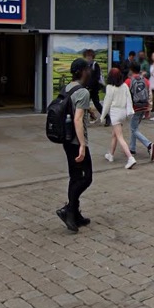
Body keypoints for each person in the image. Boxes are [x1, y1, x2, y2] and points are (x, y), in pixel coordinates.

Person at [55, 58, 94, 233]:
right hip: (76, 141)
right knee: (87, 177)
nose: (89, 72)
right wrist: (82, 145)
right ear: (82, 72)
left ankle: (75, 215)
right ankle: (69, 209)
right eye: (87, 69)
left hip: (66, 138)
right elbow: (77, 119)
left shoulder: (68, 88)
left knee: (75, 176)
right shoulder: (83, 92)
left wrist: (89, 111)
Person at [99, 68, 135, 169]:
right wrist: (130, 111)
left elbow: (107, 103)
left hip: (115, 114)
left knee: (119, 137)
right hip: (123, 113)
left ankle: (130, 158)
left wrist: (102, 116)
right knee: (114, 135)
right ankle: (110, 154)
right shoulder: (124, 86)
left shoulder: (110, 87)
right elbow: (129, 100)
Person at [126, 62, 154, 162]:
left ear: (131, 69)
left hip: (134, 108)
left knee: (133, 129)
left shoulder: (129, 81)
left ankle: (149, 145)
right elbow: (149, 94)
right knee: (134, 127)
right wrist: (148, 109)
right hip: (143, 107)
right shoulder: (146, 80)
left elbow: (125, 95)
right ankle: (132, 148)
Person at [84, 49, 104, 115]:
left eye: (90, 56)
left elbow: (97, 77)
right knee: (84, 104)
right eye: (87, 56)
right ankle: (85, 119)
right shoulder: (85, 65)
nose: (88, 57)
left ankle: (107, 117)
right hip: (87, 88)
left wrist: (90, 85)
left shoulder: (95, 65)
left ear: (93, 57)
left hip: (94, 89)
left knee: (97, 104)